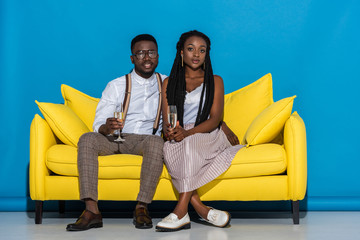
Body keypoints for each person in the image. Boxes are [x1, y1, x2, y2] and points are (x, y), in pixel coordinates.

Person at [66, 34, 167, 231]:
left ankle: (141, 207)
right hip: (116, 138)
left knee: (156, 142)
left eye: (151, 52)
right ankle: (92, 210)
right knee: (87, 139)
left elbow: (190, 108)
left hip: (147, 140)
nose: (147, 57)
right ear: (132, 58)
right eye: (140, 53)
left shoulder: (167, 83)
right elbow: (98, 125)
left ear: (158, 56)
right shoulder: (117, 85)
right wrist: (107, 127)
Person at [156, 30, 244, 232]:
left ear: (206, 54)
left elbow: (215, 119)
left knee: (189, 147)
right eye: (190, 49)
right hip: (181, 134)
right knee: (170, 150)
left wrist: (187, 133)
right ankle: (201, 209)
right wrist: (171, 132)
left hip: (207, 133)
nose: (196, 54)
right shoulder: (168, 83)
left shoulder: (215, 81)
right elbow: (167, 120)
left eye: (201, 50)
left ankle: (179, 211)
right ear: (181, 52)